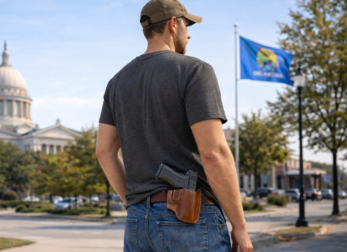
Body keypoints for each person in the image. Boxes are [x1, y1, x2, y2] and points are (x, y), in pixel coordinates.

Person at [95, 0, 253, 251]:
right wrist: (241, 227)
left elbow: (104, 152)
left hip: (137, 225)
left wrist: (135, 202)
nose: (189, 34)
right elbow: (214, 153)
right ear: (172, 24)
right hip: (189, 219)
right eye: (186, 25)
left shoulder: (116, 83)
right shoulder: (195, 70)